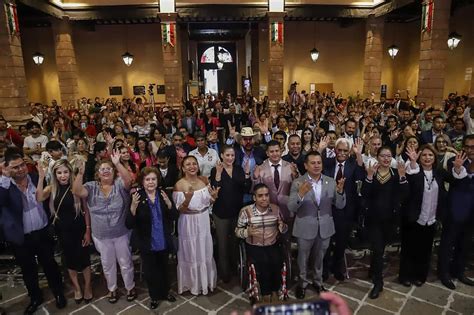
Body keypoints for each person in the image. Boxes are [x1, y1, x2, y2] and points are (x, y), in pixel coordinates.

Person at [0, 148, 66, 314]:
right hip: (21, 237)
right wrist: (5, 179)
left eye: (22, 165)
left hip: (42, 231)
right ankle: (35, 297)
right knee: (28, 269)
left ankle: (58, 292)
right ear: (6, 168)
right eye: (15, 167)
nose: (20, 169)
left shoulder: (37, 178)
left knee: (50, 264)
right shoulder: (5, 186)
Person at [72, 150, 137, 303]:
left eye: (109, 168)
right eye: (103, 169)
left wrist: (117, 163)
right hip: (101, 234)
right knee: (107, 264)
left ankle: (130, 286)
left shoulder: (119, 184)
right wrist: (80, 173)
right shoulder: (91, 186)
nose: (106, 171)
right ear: (97, 173)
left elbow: (129, 181)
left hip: (121, 232)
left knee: (125, 262)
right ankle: (112, 289)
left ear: (114, 172)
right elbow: (76, 191)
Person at [399, 145, 465, 287]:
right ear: (419, 157)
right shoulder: (414, 171)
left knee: (425, 250)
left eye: (430, 155)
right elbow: (410, 183)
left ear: (435, 158)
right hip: (414, 217)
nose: (427, 158)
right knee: (409, 248)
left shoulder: (439, 172)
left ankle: (420, 276)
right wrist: (412, 162)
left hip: (431, 218)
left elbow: (456, 182)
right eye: (424, 155)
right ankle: (405, 276)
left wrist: (458, 168)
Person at [288, 151, 346, 299]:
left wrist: (340, 192)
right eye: (312, 163)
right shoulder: (298, 182)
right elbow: (291, 207)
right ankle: (302, 284)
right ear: (306, 165)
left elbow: (340, 206)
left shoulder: (331, 181)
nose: (316, 165)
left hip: (325, 227)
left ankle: (318, 282)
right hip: (305, 227)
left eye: (319, 162)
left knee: (320, 258)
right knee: (303, 258)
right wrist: (300, 195)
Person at [36, 159, 93, 303]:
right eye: (59, 173)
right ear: (54, 174)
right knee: (70, 262)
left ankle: (87, 286)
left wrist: (87, 230)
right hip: (63, 232)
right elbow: (39, 197)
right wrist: (41, 177)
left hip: (79, 229)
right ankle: (77, 288)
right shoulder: (51, 188)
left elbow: (86, 210)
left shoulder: (76, 187)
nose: (63, 176)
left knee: (85, 260)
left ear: (70, 172)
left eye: (65, 172)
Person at [126, 167, 178, 309]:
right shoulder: (137, 197)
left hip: (163, 239)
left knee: (164, 269)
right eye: (147, 179)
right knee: (151, 272)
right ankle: (154, 297)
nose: (150, 182)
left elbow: (174, 216)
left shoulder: (164, 194)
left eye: (153, 179)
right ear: (142, 181)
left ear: (157, 180)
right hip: (147, 242)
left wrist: (169, 204)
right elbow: (129, 224)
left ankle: (165, 292)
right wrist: (133, 207)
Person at [361, 147, 408, 299]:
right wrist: (368, 176)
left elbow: (404, 195)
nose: (386, 159)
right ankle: (378, 282)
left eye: (389, 156)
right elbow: (365, 194)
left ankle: (373, 269)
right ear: (377, 157)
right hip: (373, 219)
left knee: (380, 249)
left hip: (390, 220)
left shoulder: (395, 174)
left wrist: (402, 177)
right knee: (379, 249)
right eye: (383, 156)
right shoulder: (371, 173)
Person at [173, 155, 220, 295]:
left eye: (194, 164)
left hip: (203, 219)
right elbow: (179, 209)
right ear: (183, 168)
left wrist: (214, 198)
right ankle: (191, 284)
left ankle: (206, 283)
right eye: (188, 164)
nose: (192, 166)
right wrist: (187, 200)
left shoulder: (204, 180)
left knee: (204, 249)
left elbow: (207, 203)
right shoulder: (179, 185)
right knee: (190, 251)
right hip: (187, 221)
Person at [235, 183, 288, 303]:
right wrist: (247, 232)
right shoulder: (245, 211)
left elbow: (284, 229)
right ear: (254, 198)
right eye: (260, 196)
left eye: (266, 195)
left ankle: (275, 289)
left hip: (272, 243)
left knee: (276, 261)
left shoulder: (275, 209)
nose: (264, 198)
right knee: (263, 262)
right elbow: (237, 231)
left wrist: (282, 227)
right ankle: (266, 292)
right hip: (254, 245)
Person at [322, 138, 365, 281]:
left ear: (349, 152)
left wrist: (358, 154)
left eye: (345, 151)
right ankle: (324, 268)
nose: (341, 153)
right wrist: (320, 149)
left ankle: (337, 267)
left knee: (341, 242)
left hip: (346, 210)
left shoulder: (354, 164)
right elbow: (313, 167)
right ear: (334, 150)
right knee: (326, 241)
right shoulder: (327, 162)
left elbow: (361, 178)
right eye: (339, 150)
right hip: (327, 209)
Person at [210, 145, 251, 283]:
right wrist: (218, 174)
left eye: (232, 155)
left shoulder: (239, 169)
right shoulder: (215, 169)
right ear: (222, 155)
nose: (230, 158)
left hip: (237, 212)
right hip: (221, 213)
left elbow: (246, 188)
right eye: (227, 155)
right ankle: (224, 273)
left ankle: (236, 268)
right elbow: (215, 189)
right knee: (222, 245)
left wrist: (246, 175)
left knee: (235, 242)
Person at [438, 134, 474, 289]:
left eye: (473, 147)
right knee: (447, 244)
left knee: (465, 244)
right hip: (455, 210)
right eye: (466, 146)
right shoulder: (455, 161)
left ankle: (459, 271)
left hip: (472, 213)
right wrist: (459, 168)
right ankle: (444, 273)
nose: (469, 150)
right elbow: (456, 179)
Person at [253, 140, 299, 224]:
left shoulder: (290, 166)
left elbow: (298, 188)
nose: (275, 154)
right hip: (268, 212)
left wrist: (296, 175)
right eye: (271, 151)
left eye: (277, 151)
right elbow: (256, 190)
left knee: (288, 235)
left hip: (288, 211)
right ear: (267, 153)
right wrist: (255, 178)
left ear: (281, 151)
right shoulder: (261, 168)